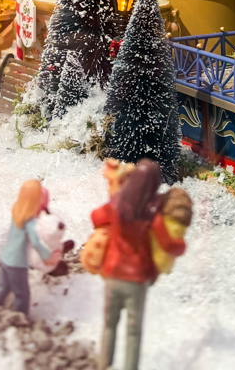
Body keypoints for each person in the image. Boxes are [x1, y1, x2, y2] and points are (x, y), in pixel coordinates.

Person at [92, 159, 186, 370]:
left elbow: (96, 217)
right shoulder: (152, 213)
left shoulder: (116, 204)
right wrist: (181, 245)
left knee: (109, 324)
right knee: (134, 331)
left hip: (113, 273)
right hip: (137, 280)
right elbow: (169, 245)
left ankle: (103, 364)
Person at [0, 180, 60, 316]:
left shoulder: (17, 212)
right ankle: (19, 316)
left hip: (6, 257)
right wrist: (48, 256)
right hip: (17, 262)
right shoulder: (30, 222)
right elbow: (36, 243)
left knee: (3, 287)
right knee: (22, 293)